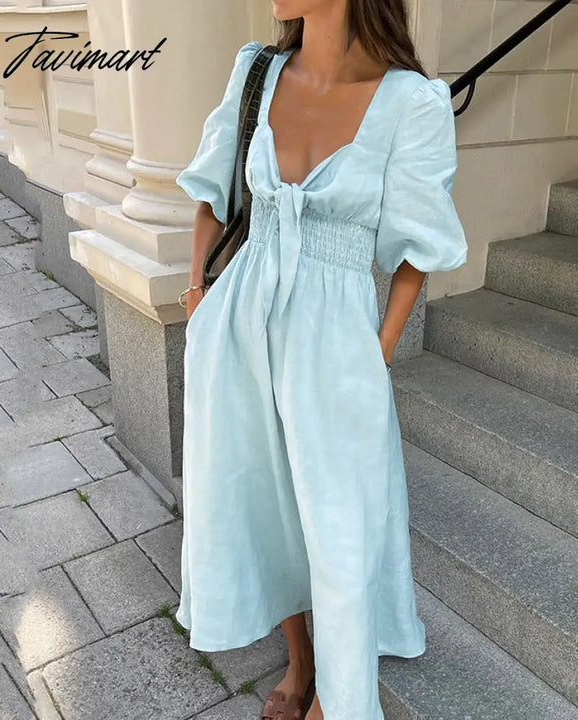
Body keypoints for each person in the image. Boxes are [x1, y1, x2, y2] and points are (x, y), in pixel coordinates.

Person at [174, 2, 467, 718]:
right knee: (262, 500)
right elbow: (212, 190)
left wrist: (379, 351)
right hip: (240, 324)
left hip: (337, 341)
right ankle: (300, 660)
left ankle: (339, 697)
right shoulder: (257, 72)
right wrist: (199, 296)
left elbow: (419, 249)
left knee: (338, 522)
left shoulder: (411, 103)